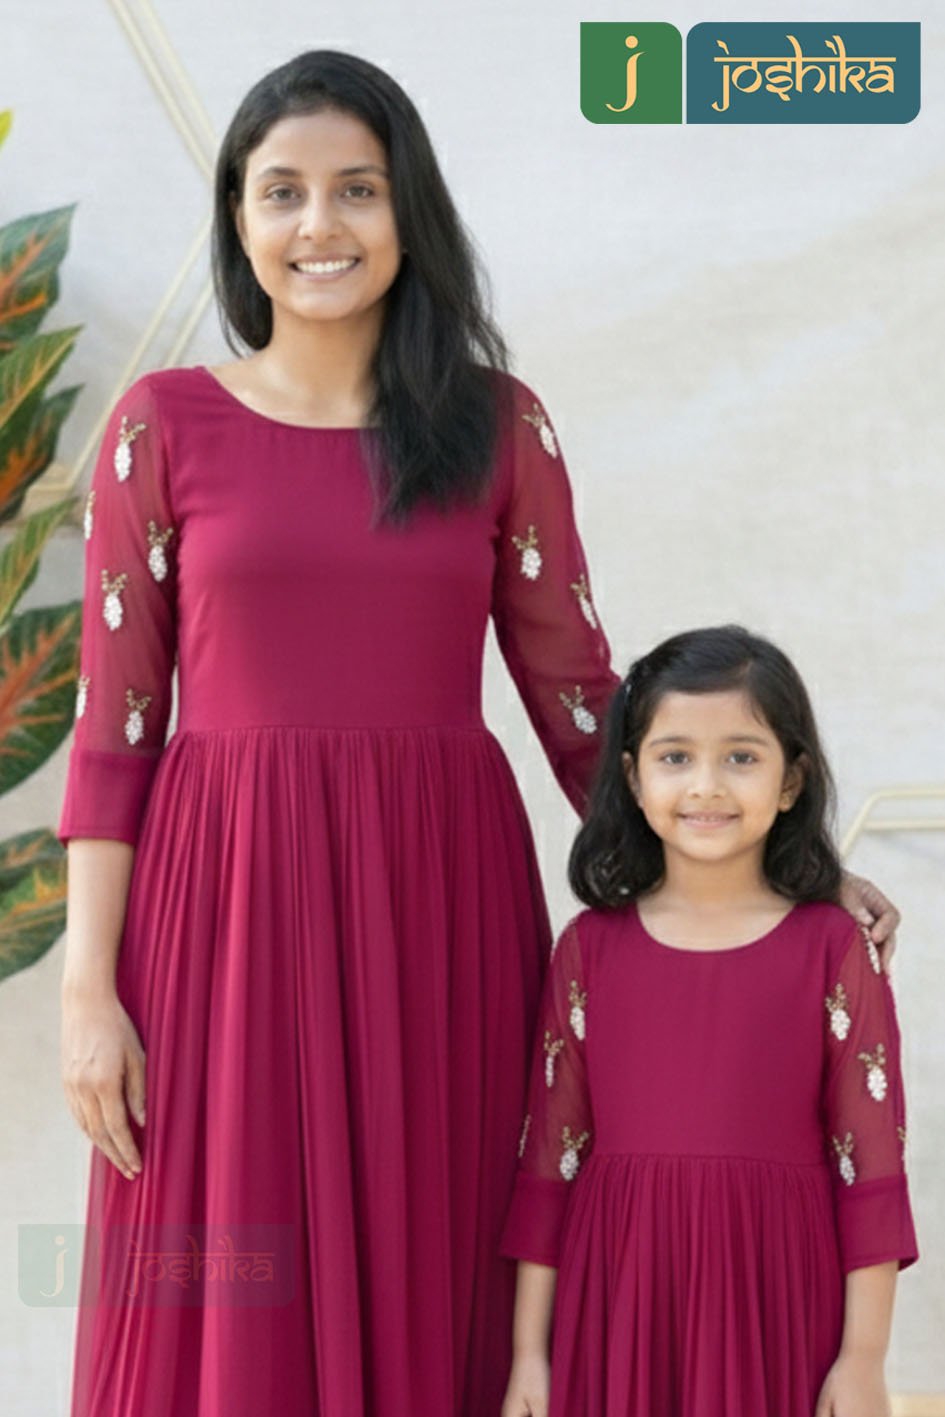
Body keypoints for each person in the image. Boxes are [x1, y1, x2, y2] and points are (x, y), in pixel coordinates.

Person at [57, 50, 900, 1417]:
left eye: (357, 189)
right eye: (283, 192)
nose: (319, 224)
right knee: (224, 1275)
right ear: (238, 216)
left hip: (433, 906)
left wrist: (785, 868)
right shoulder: (163, 427)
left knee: (439, 1251)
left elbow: (585, 707)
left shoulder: (497, 428)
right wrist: (89, 992)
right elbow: (118, 729)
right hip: (223, 914)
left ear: (410, 212)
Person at [500, 625, 918, 1417]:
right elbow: (549, 1162)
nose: (706, 785)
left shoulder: (834, 949)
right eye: (675, 756)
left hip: (777, 1301)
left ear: (791, 781)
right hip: (619, 1300)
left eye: (740, 756)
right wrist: (528, 1352)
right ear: (632, 777)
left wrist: (862, 1358)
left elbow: (869, 1170)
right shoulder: (587, 948)